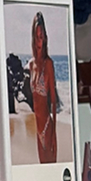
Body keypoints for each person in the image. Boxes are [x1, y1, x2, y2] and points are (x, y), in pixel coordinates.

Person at [28, 11, 61, 165]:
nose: (39, 41)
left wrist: (54, 133)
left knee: (50, 166)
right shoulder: (31, 65)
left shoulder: (49, 64)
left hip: (47, 124)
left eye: (41, 37)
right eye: (37, 37)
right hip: (37, 125)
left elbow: (53, 99)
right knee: (42, 166)